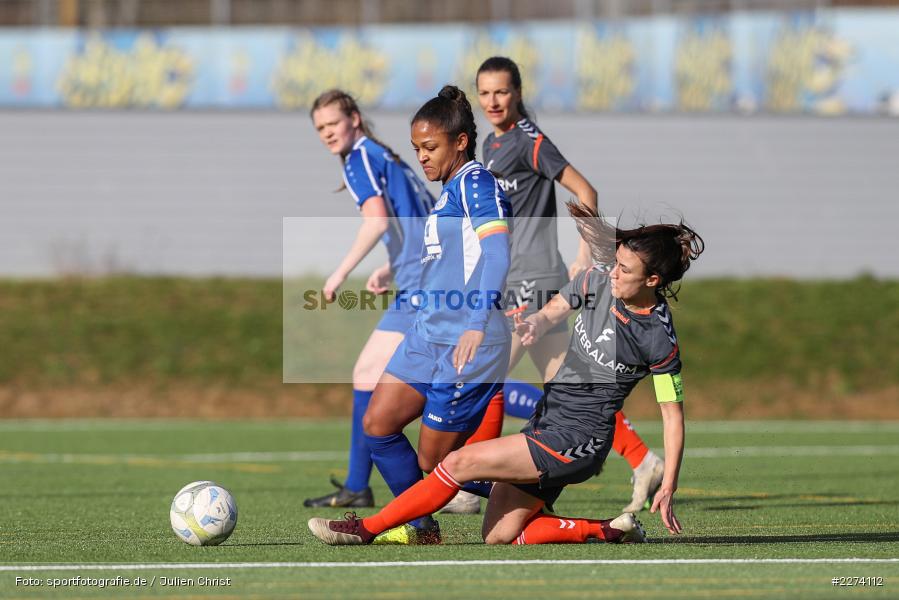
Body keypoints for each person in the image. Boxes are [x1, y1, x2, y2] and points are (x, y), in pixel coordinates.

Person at [307, 203, 703, 546]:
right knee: (499, 535)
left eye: (624, 269)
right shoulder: (598, 281)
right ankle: (607, 530)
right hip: (546, 424)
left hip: (577, 440)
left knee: (457, 463)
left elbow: (672, 416)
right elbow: (553, 312)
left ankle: (366, 529)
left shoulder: (658, 338)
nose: (613, 273)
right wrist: (535, 324)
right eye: (615, 263)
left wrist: (668, 483)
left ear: (653, 281)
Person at [443, 57, 663, 516]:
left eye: (501, 92)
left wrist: (585, 257)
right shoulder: (495, 146)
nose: (492, 101)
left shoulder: (528, 140)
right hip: (521, 278)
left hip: (534, 280)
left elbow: (585, 190)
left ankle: (470, 482)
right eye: (484, 93)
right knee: (566, 385)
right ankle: (643, 460)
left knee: (486, 376)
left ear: (517, 93)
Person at [342, 84, 512, 543]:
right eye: (417, 148)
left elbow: (496, 254)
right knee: (378, 425)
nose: (422, 156)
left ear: (460, 142)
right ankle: (422, 526)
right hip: (426, 336)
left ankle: (530, 478)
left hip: (466, 342)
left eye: (430, 147)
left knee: (433, 463)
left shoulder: (477, 183)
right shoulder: (448, 191)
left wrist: (476, 324)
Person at [303, 89, 434, 509]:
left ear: (354, 119)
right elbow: (423, 219)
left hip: (425, 286)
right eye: (319, 127)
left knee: (465, 382)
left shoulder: (360, 157)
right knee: (370, 374)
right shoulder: (381, 154)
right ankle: (359, 485)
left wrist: (340, 272)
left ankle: (448, 482)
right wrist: (394, 267)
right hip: (420, 279)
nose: (326, 133)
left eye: (332, 123)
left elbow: (377, 221)